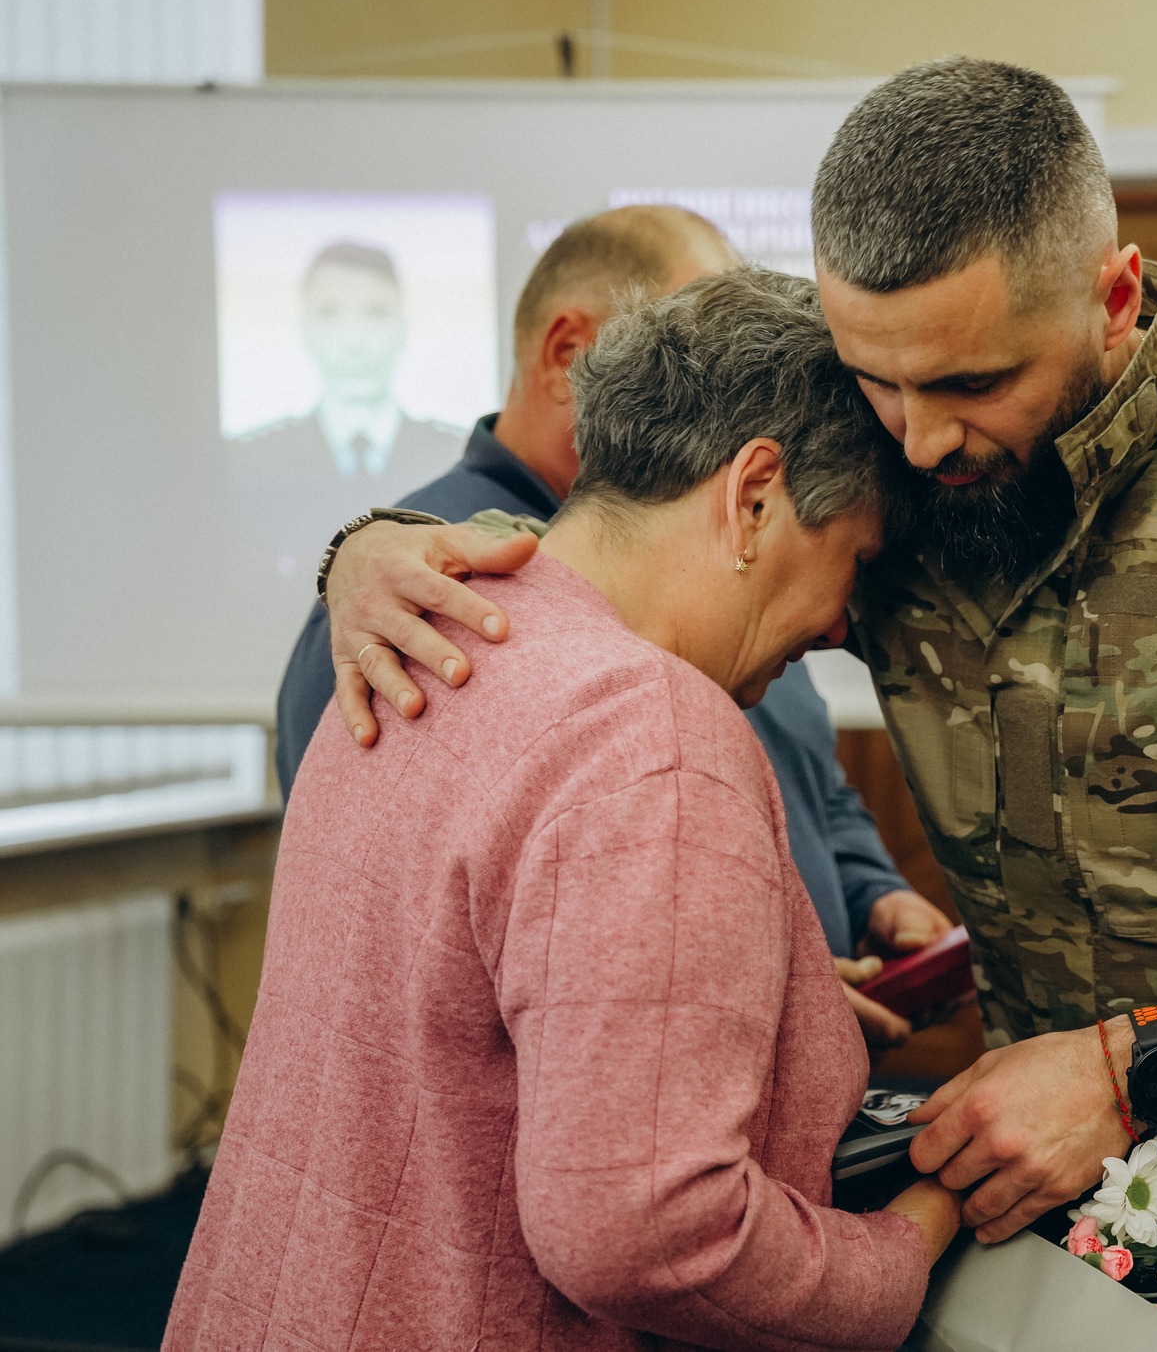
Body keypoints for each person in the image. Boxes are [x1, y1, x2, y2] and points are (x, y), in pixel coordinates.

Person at [318, 58, 1157, 1246]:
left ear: (1116, 297)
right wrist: (381, 550)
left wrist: (1136, 1073)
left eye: (968, 387)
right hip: (1054, 1209)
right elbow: (649, 505)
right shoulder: (902, 433)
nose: (917, 438)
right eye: (874, 381)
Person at [166, 269, 960, 1352]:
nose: (838, 628)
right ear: (755, 494)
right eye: (853, 561)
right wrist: (902, 1251)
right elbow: (648, 1233)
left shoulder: (427, 631)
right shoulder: (655, 732)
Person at [272, 207, 952, 1047]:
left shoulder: (746, 577)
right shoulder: (416, 595)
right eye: (686, 334)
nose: (717, 367)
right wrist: (720, 1001)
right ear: (572, 354)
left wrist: (865, 890)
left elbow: (811, 777)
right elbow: (380, 942)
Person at [237, 241, 466, 483]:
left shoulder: (461, 460)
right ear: (305, 331)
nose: (353, 342)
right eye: (329, 314)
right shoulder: (250, 459)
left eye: (376, 313)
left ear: (404, 328)